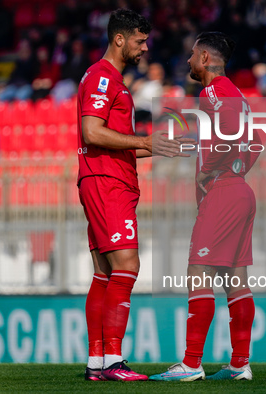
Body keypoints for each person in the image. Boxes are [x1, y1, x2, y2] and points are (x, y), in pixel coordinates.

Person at [77, 9, 189, 382]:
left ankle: (97, 361)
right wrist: (142, 139)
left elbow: (114, 142)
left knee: (105, 274)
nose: (145, 48)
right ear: (120, 39)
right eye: (140, 41)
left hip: (105, 177)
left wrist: (155, 146)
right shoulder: (103, 79)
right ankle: (113, 361)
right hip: (108, 182)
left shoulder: (110, 80)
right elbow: (92, 133)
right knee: (127, 266)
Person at [150, 31, 261, 382]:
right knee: (236, 280)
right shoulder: (239, 95)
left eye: (193, 55)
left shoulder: (212, 91)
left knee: (198, 272)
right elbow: (254, 142)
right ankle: (240, 364)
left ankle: (191, 363)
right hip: (241, 189)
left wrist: (211, 170)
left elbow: (228, 131)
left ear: (206, 59)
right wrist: (236, 168)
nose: (188, 61)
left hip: (223, 193)